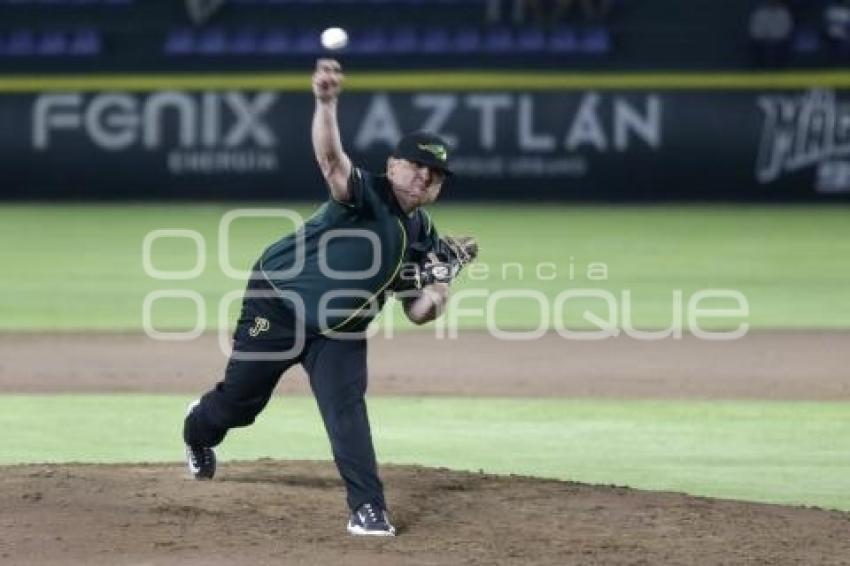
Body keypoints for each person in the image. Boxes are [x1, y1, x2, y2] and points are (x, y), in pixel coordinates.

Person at [182, 58, 476, 537]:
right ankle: (197, 430)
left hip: (340, 331)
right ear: (392, 166)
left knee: (346, 412)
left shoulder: (423, 233)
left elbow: (420, 312)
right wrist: (326, 101)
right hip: (277, 303)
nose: (426, 177)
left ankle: (367, 509)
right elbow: (331, 162)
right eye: (417, 165)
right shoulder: (366, 194)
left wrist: (442, 281)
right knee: (240, 404)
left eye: (436, 173)